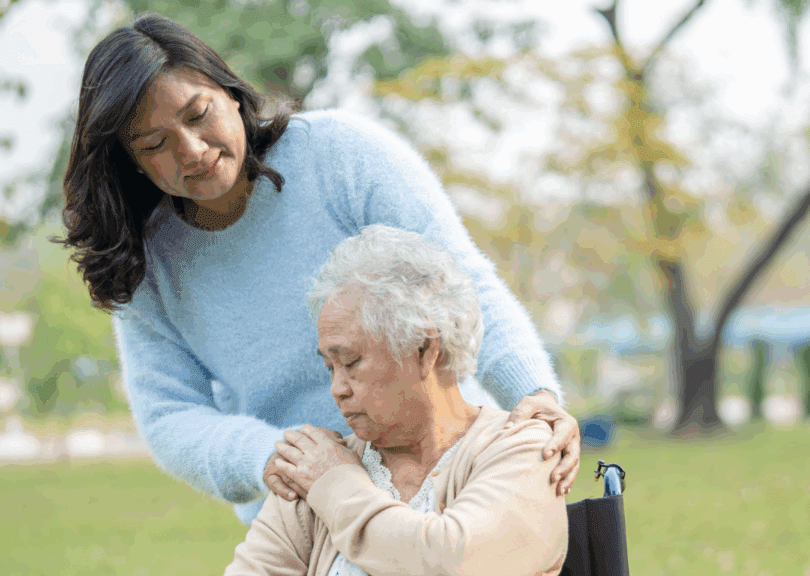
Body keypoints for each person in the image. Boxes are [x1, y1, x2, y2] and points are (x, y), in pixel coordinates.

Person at [58, 13, 580, 524]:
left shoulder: (340, 154)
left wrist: (534, 394)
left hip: (448, 475)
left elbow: (464, 285)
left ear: (231, 94)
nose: (191, 150)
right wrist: (275, 456)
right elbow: (169, 416)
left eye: (198, 115)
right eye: (155, 144)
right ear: (133, 160)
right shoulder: (143, 260)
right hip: (307, 513)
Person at [224, 224, 568, 576]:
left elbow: (453, 563)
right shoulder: (317, 465)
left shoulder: (524, 450)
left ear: (424, 350)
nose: (337, 388)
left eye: (351, 362)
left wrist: (334, 485)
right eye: (330, 367)